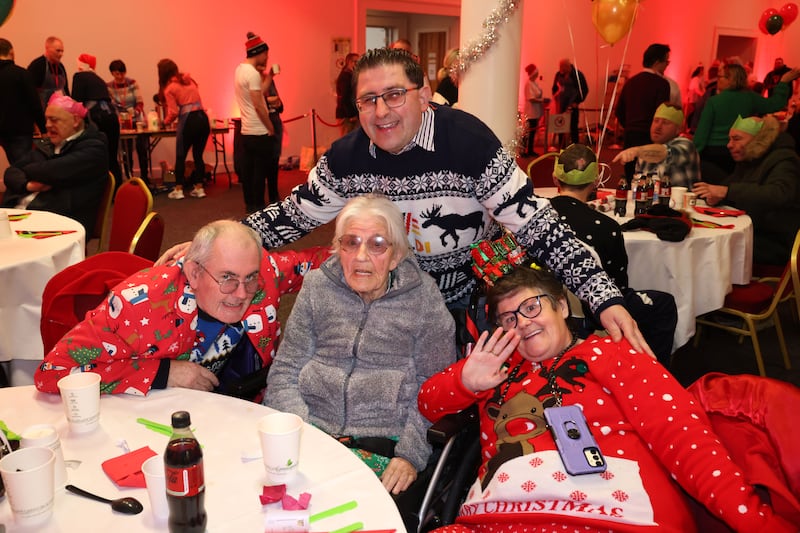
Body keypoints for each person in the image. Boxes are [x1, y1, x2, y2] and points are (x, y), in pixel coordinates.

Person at [234, 47, 649, 354]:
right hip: (388, 296)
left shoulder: (468, 142)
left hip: (464, 298)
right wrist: (222, 240)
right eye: (368, 100)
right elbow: (291, 216)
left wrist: (603, 297)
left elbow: (537, 224)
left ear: (423, 95)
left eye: (395, 95)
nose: (381, 112)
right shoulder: (347, 157)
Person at [417, 265, 795, 532]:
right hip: (496, 519)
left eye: (532, 307)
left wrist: (754, 520)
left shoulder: (611, 353)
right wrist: (465, 380)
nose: (523, 323)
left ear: (561, 306)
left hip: (611, 515)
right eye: (509, 319)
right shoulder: (494, 368)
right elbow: (428, 404)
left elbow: (683, 438)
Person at [264, 194, 457, 531]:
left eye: (377, 245)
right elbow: (286, 369)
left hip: (385, 439)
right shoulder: (317, 287)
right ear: (337, 247)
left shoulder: (424, 300)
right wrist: (300, 430)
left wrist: (410, 454)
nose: (361, 257)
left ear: (396, 255)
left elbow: (436, 389)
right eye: (350, 243)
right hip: (312, 428)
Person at [35, 220, 328, 398]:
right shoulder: (137, 305)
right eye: (226, 278)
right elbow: (53, 374)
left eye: (249, 278)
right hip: (168, 422)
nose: (241, 293)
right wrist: (163, 372)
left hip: (250, 407)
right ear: (194, 272)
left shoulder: (264, 271)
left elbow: (327, 259)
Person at [551, 144, 678, 363]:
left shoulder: (535, 218)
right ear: (595, 182)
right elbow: (616, 286)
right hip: (591, 312)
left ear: (555, 178)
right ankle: (652, 372)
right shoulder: (606, 226)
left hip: (546, 302)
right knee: (664, 303)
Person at [693, 115, 800, 267]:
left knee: (714, 246)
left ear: (759, 139)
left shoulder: (784, 159)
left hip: (776, 238)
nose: (729, 145)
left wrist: (726, 192)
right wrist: (716, 196)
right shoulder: (750, 159)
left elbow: (779, 193)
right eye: (729, 139)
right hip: (755, 228)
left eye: (736, 139)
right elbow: (731, 186)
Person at [2, 93, 107, 235]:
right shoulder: (49, 144)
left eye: (54, 120)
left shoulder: (94, 148)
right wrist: (27, 185)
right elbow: (10, 172)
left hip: (56, 226)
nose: (47, 125)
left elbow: (52, 171)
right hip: (21, 217)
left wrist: (25, 170)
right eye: (46, 120)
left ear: (75, 121)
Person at [693, 62, 799, 182]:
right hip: (742, 151)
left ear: (731, 79)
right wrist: (783, 83)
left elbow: (702, 132)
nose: (717, 80)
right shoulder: (750, 97)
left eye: (720, 77)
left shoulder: (714, 101)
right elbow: (775, 104)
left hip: (713, 153)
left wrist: (694, 154)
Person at [615, 44, 672, 181]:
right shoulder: (661, 84)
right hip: (650, 138)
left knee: (630, 177)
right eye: (666, 62)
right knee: (648, 179)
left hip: (630, 135)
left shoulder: (631, 82)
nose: (667, 66)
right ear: (657, 62)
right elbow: (662, 114)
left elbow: (619, 110)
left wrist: (629, 125)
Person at [613, 102, 700, 188]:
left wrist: (637, 151)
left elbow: (665, 153)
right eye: (656, 121)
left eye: (665, 122)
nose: (658, 126)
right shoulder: (644, 152)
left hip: (683, 201)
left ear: (678, 129)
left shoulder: (686, 145)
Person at [234, 32, 276, 212]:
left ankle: (250, 204)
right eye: (266, 53)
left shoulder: (240, 70)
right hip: (259, 131)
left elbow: (258, 93)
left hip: (247, 130)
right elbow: (259, 105)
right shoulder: (251, 73)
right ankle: (258, 207)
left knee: (249, 171)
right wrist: (270, 126)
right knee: (259, 172)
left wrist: (271, 76)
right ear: (258, 53)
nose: (267, 57)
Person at [159, 58, 209, 200]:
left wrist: (165, 122)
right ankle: (199, 188)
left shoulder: (169, 88)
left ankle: (178, 189)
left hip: (188, 121)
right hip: (203, 118)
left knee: (180, 156)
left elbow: (173, 112)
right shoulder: (190, 80)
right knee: (198, 155)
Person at [71, 53, 122, 184]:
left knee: (96, 155)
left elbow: (77, 102)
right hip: (111, 116)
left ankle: (101, 189)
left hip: (96, 118)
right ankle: (117, 189)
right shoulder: (98, 79)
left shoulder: (79, 77)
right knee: (112, 156)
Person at [0, 38, 46, 165]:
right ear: (11, 52)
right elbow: (34, 103)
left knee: (14, 163)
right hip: (20, 130)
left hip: (2, 131)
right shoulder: (21, 74)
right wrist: (43, 128)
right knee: (24, 166)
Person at [107, 59, 150, 184]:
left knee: (142, 148)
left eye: (121, 73)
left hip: (136, 119)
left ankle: (145, 177)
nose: (120, 76)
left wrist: (135, 112)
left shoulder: (132, 83)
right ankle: (129, 177)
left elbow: (140, 102)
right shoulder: (109, 87)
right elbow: (111, 105)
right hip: (122, 121)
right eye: (116, 74)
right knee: (126, 150)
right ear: (112, 74)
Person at [26, 36, 69, 110]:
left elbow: (66, 89)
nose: (61, 54)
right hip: (43, 111)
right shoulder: (37, 65)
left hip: (61, 111)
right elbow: (29, 92)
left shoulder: (61, 66)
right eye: (58, 51)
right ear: (47, 48)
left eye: (62, 51)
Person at [552, 58, 588, 145]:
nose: (560, 69)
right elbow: (554, 88)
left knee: (573, 127)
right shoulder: (558, 75)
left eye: (562, 67)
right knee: (561, 126)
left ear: (567, 66)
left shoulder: (578, 75)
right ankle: (561, 147)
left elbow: (585, 89)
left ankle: (575, 147)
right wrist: (555, 96)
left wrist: (577, 101)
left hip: (573, 105)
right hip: (561, 105)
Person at [521, 63, 543, 157]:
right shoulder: (528, 84)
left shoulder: (535, 83)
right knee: (527, 132)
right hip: (530, 112)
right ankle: (522, 151)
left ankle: (530, 149)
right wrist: (541, 100)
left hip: (536, 112)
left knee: (533, 132)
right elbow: (531, 98)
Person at [335, 52, 360, 137]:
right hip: (347, 116)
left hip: (349, 115)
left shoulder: (350, 75)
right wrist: (351, 114)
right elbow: (345, 97)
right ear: (350, 62)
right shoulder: (345, 77)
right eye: (356, 62)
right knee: (347, 141)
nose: (358, 64)